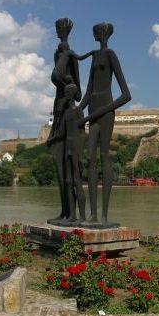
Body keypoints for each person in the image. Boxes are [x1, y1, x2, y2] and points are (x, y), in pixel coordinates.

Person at [80, 22, 131, 225]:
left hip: (105, 113)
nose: (92, 33)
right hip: (92, 113)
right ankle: (93, 215)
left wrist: (103, 110)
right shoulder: (94, 57)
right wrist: (78, 110)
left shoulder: (110, 54)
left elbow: (126, 94)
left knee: (103, 156)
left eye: (95, 31)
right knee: (90, 158)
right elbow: (88, 91)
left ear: (102, 32)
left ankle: (104, 216)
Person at [47, 18, 92, 223]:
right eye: (56, 27)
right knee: (60, 169)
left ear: (66, 29)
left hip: (68, 111)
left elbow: (78, 92)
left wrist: (68, 86)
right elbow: (55, 78)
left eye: (60, 27)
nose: (57, 30)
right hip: (58, 112)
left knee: (71, 173)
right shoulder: (57, 54)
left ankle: (74, 215)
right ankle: (65, 211)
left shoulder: (70, 55)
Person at [46, 83, 86, 223]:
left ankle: (82, 216)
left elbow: (82, 133)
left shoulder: (78, 110)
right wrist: (50, 140)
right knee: (68, 182)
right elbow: (61, 132)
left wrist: (80, 151)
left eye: (68, 92)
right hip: (67, 148)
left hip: (75, 148)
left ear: (72, 94)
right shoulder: (67, 113)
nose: (66, 94)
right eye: (65, 92)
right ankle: (71, 216)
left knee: (77, 182)